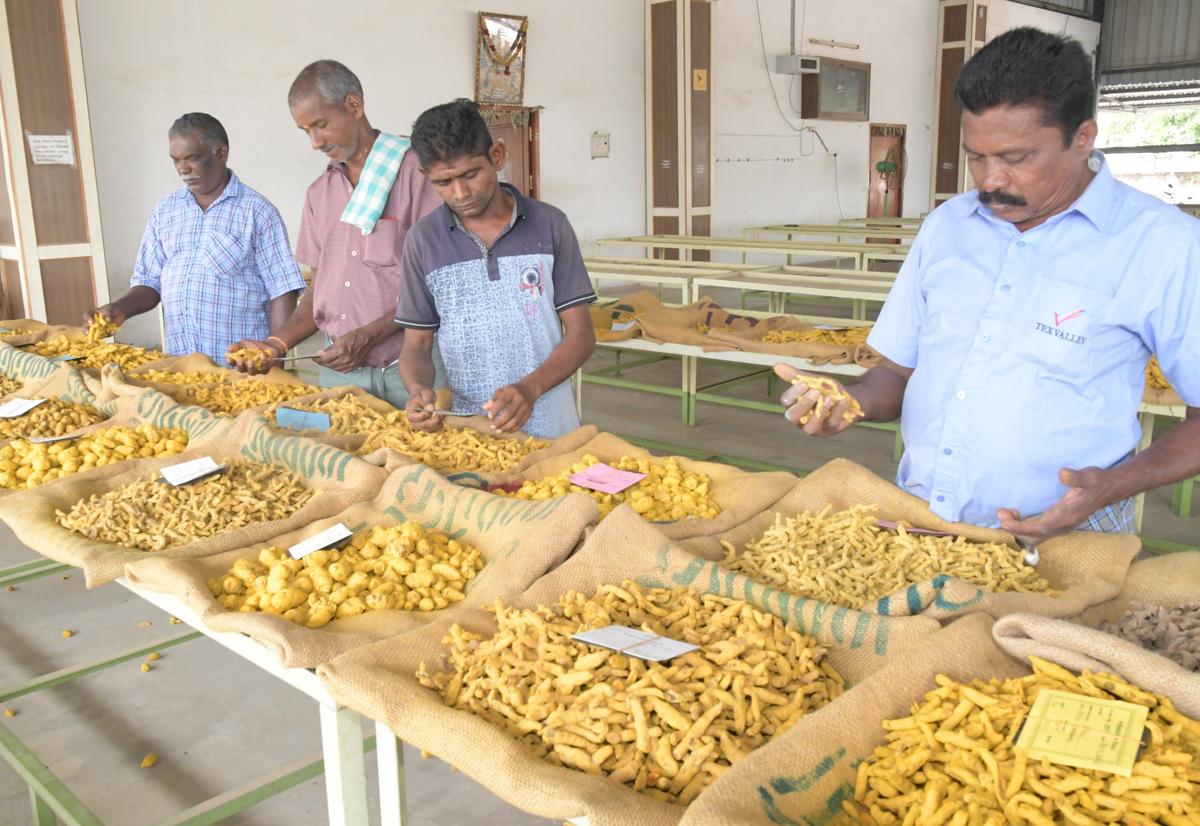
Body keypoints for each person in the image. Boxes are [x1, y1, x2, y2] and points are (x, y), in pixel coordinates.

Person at [775, 27, 1199, 543]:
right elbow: (897, 375)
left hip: (1066, 534)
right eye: (976, 156)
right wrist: (850, 401)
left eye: (1017, 158)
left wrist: (1112, 485)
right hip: (923, 517)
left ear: (1082, 137)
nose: (990, 180)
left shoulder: (1166, 245)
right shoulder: (948, 227)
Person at [227, 60, 444, 407]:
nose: (315, 142)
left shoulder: (418, 175)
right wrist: (276, 344)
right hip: (341, 376)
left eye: (321, 125)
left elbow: (439, 285)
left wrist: (368, 336)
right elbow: (318, 293)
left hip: (411, 374)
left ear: (353, 106)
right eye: (305, 131)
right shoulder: (320, 193)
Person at [395, 99, 597, 439]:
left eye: (471, 174)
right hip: (469, 433)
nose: (460, 193)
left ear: (498, 156)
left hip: (552, 426)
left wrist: (530, 389)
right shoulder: (423, 241)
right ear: (425, 176)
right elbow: (416, 344)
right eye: (444, 182)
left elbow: (581, 334)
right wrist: (418, 388)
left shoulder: (549, 224)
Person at [88, 113, 304, 362]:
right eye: (176, 160)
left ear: (221, 153)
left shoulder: (257, 212)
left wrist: (273, 355)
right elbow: (150, 282)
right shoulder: (166, 210)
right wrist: (120, 309)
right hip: (182, 366)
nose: (183, 169)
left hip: (239, 368)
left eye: (192, 158)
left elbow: (283, 290)